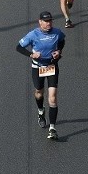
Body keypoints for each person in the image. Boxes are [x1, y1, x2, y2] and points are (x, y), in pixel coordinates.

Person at [16, 11, 65, 140]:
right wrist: (31, 55)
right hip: (38, 67)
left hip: (51, 66)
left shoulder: (57, 32)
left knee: (53, 98)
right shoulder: (33, 35)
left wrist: (58, 51)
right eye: (46, 21)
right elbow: (18, 47)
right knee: (39, 92)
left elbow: (62, 41)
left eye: (50, 21)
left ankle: (52, 128)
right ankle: (40, 111)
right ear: (40, 22)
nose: (49, 23)